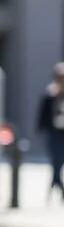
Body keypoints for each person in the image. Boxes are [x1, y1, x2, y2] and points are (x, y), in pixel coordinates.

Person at [37, 62, 64, 200]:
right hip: (54, 133)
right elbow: (43, 114)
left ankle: (53, 186)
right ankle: (59, 188)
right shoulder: (50, 94)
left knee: (58, 163)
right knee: (57, 161)